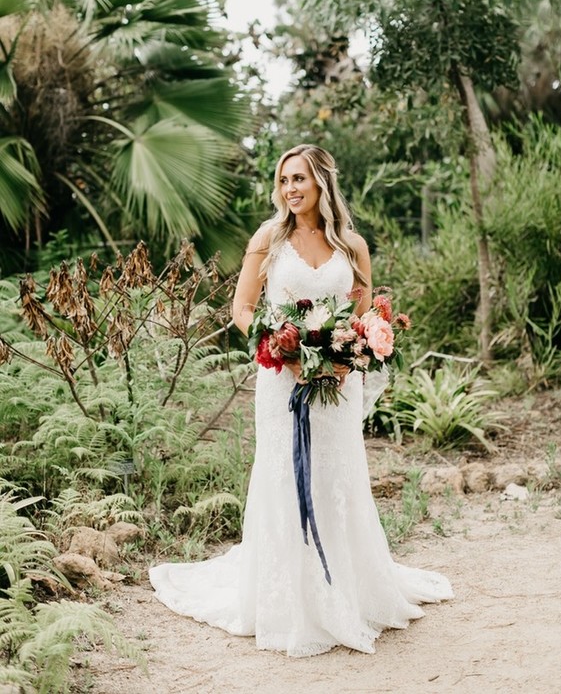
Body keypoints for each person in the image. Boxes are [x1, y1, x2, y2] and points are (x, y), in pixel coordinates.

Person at [149, 143, 453, 657]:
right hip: (281, 380)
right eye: (284, 180)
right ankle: (288, 599)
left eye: (299, 179)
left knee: (337, 475)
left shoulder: (352, 246)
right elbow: (242, 308)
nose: (290, 188)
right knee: (283, 476)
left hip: (337, 382)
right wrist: (279, 348)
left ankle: (342, 589)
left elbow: (361, 315)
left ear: (322, 183)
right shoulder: (268, 239)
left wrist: (350, 354)